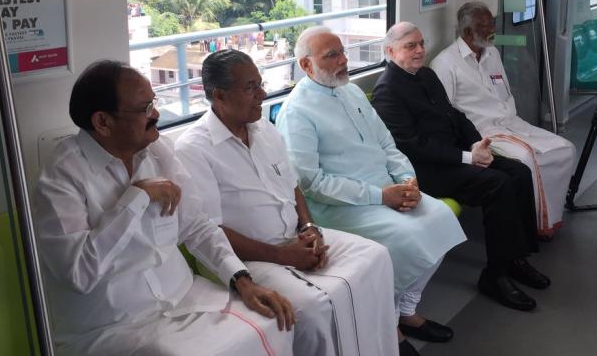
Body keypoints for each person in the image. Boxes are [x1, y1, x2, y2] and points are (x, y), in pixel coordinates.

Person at [33, 61, 295, 356]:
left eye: (153, 103)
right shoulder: (61, 177)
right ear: (103, 122)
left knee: (274, 321)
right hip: (115, 327)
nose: (156, 114)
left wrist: (242, 281)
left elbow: (196, 226)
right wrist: (136, 198)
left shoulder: (157, 152)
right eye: (145, 109)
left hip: (185, 299)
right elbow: (79, 273)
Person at [176, 50, 399, 356]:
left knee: (377, 257)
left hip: (293, 237)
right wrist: (283, 256)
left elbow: (292, 186)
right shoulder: (193, 149)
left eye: (260, 84)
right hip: (245, 257)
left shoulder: (264, 129)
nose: (262, 94)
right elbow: (209, 230)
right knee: (315, 306)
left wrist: (308, 227)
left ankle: (382, 346)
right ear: (219, 95)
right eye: (250, 88)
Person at [276, 26, 467, 353]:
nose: (343, 60)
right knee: (408, 239)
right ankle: (389, 325)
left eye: (342, 52)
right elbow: (311, 183)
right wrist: (381, 195)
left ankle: (406, 309)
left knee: (441, 218)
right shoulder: (296, 112)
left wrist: (407, 180)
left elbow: (386, 143)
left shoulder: (350, 91)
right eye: (331, 55)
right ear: (306, 65)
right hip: (341, 205)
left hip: (387, 188)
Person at [373, 22, 551, 312]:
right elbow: (412, 146)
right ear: (390, 51)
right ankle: (495, 275)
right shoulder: (387, 90)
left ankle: (515, 259)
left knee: (519, 172)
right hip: (425, 170)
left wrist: (477, 144)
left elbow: (453, 115)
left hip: (457, 155)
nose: (420, 50)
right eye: (410, 46)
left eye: (421, 43)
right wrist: (468, 157)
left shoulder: (426, 75)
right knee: (498, 184)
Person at [431, 2, 576, 237]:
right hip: (483, 132)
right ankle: (531, 224)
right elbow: (446, 114)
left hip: (512, 123)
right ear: (467, 32)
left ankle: (549, 217)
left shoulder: (493, 53)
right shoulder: (445, 63)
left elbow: (504, 92)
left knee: (565, 149)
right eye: (485, 26)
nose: (493, 30)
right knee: (526, 159)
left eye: (493, 23)